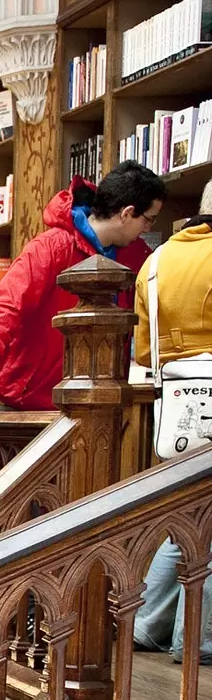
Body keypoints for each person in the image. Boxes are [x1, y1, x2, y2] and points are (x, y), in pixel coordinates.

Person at [0, 162, 167, 411]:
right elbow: (2, 308)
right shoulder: (51, 248)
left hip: (98, 405)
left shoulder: (137, 257)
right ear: (127, 214)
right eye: (148, 220)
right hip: (29, 404)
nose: (148, 229)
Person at [133, 179, 212, 663]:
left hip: (175, 408)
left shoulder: (156, 260)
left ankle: (149, 623)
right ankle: (196, 639)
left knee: (186, 516)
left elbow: (144, 349)